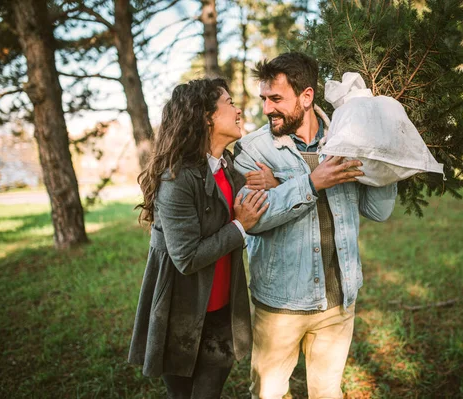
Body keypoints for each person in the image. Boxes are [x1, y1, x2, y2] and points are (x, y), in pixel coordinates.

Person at [234, 52, 399, 399]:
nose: (266, 108)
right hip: (280, 305)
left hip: (339, 302)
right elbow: (255, 219)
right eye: (264, 98)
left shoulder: (346, 140)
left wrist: (384, 158)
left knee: (327, 392)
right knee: (267, 394)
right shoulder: (251, 151)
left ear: (306, 97)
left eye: (276, 98)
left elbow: (377, 211)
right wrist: (311, 183)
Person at [128, 78, 272, 399]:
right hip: (180, 313)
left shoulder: (229, 165)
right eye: (229, 103)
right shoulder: (176, 178)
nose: (238, 110)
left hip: (222, 310)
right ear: (207, 116)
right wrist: (240, 226)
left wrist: (272, 181)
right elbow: (186, 258)